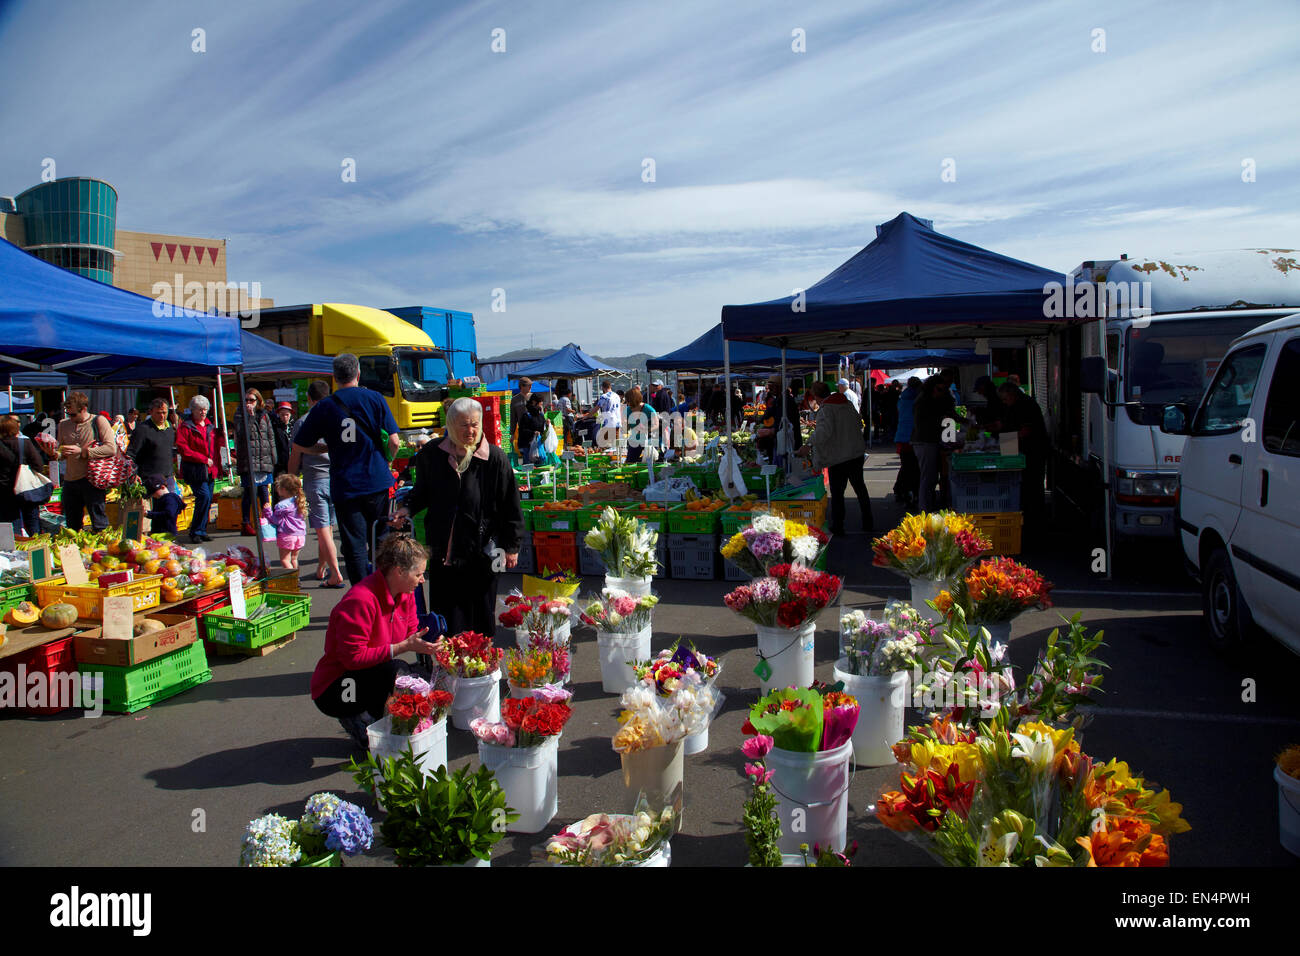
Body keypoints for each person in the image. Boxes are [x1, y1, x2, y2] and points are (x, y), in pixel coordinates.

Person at [396, 397, 524, 637]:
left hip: (481, 547)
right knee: (446, 612)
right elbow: (422, 491)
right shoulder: (432, 454)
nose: (471, 430)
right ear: (451, 425)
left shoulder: (494, 458)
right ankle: (448, 665)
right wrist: (406, 509)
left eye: (475, 424)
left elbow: (511, 504)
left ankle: (480, 666)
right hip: (443, 546)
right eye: (464, 425)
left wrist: (512, 545)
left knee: (481, 611)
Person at [310, 534, 440, 750]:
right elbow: (352, 659)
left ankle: (378, 720)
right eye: (418, 574)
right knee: (396, 674)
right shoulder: (360, 601)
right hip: (335, 686)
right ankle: (355, 715)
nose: (422, 580)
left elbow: (411, 632)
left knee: (411, 677)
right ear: (399, 571)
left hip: (365, 671)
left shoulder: (405, 593)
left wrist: (433, 642)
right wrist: (403, 647)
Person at [289, 353, 401, 586]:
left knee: (354, 544)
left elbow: (300, 444)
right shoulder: (375, 398)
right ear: (358, 373)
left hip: (345, 484)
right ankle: (386, 588)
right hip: (377, 480)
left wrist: (325, 447)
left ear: (334, 377)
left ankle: (362, 595)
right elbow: (395, 441)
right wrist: (387, 460)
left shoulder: (326, 406)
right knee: (382, 539)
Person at [292, 380, 345, 588]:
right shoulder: (338, 418)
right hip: (335, 477)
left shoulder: (303, 421)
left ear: (309, 399)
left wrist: (291, 478)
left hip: (315, 479)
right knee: (328, 530)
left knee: (322, 530)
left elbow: (296, 453)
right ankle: (322, 568)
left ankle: (335, 573)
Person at [803, 381, 872, 535]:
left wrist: (809, 443)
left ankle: (838, 526)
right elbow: (859, 423)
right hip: (855, 453)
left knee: (838, 494)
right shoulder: (846, 404)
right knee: (860, 489)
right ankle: (868, 521)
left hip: (838, 457)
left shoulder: (827, 409)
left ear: (816, 396)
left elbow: (823, 433)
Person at [55, 392, 119, 532]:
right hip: (70, 479)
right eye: (68, 414)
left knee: (99, 522)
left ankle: (100, 550)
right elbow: (61, 452)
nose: (70, 418)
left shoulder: (98, 421)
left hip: (92, 479)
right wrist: (55, 454)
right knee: (72, 525)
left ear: (83, 409)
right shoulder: (63, 425)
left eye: (73, 415)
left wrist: (83, 452)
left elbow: (111, 448)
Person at [998, 382, 1048, 523]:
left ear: (1012, 395)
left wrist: (1005, 442)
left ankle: (1034, 518)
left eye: (1005, 399)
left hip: (1033, 452)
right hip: (1024, 451)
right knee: (1026, 486)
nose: (1004, 402)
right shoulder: (1016, 405)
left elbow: (1025, 431)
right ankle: (1028, 514)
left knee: (1033, 486)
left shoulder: (1026, 405)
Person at [176, 395, 220, 544]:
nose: (203, 413)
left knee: (207, 500)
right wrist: (202, 459)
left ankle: (202, 530)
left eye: (205, 410)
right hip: (195, 469)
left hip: (209, 469)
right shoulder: (186, 426)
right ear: (193, 410)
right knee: (204, 497)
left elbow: (214, 447)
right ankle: (195, 530)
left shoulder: (210, 426)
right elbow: (183, 449)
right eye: (200, 410)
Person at [234, 388, 278, 536]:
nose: (248, 403)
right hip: (249, 460)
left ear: (258, 401)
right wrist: (250, 417)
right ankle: (246, 523)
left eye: (251, 400)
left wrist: (273, 457)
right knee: (249, 492)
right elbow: (240, 435)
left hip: (264, 459)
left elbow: (270, 437)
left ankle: (266, 521)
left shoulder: (264, 415)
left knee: (264, 491)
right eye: (246, 400)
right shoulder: (240, 415)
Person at [910, 377, 956, 512]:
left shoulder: (934, 399)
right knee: (928, 478)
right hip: (924, 441)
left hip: (931, 441)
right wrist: (940, 421)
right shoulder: (922, 401)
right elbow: (921, 424)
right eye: (939, 389)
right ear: (932, 387)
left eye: (944, 390)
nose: (941, 392)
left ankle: (928, 508)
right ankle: (924, 511)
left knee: (931, 477)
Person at [0, 415, 46, 537]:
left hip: (5, 492)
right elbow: (39, 465)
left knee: (11, 525)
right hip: (26, 488)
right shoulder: (24, 443)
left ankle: (14, 552)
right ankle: (36, 548)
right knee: (32, 521)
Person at [127, 396, 177, 501]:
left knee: (171, 510)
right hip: (150, 479)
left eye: (164, 412)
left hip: (168, 477)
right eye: (158, 413)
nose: (162, 416)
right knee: (156, 513)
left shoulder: (170, 429)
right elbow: (131, 453)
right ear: (151, 412)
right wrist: (133, 474)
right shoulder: (142, 430)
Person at [264, 473, 308, 570]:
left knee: (285, 560)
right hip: (300, 535)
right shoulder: (299, 501)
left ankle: (292, 579)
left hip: (287, 535)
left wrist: (268, 512)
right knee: (294, 559)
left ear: (283, 490)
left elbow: (276, 520)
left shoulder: (281, 506)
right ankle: (297, 578)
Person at [892, 377, 923, 509]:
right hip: (914, 437)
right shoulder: (919, 400)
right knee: (913, 468)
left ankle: (901, 490)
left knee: (906, 466)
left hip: (902, 436)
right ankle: (909, 493)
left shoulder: (902, 399)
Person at [624, 386, 657, 464]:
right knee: (630, 463)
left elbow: (656, 425)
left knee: (649, 463)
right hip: (634, 441)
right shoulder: (627, 410)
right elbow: (626, 428)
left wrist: (646, 429)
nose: (627, 403)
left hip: (649, 441)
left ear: (634, 400)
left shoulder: (648, 409)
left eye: (628, 401)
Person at [515, 393, 548, 464]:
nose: (542, 403)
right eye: (540, 401)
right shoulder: (526, 415)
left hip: (538, 447)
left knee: (539, 470)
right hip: (527, 447)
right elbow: (522, 431)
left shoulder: (541, 415)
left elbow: (542, 430)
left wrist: (547, 425)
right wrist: (533, 433)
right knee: (529, 471)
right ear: (534, 402)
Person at [595, 379, 622, 448]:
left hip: (608, 423)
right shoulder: (617, 396)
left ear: (603, 388)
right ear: (610, 386)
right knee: (616, 444)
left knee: (605, 444)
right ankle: (617, 457)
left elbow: (596, 408)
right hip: (617, 422)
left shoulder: (604, 396)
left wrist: (588, 416)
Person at [510, 378, 533, 455]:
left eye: (531, 385)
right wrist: (512, 434)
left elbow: (541, 414)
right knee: (525, 453)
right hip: (523, 431)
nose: (530, 387)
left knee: (535, 454)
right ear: (522, 386)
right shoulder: (514, 400)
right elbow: (513, 418)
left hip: (534, 430)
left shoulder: (534, 397)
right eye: (528, 386)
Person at [271, 402, 294, 477]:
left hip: (294, 461)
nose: (284, 417)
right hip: (280, 464)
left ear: (290, 414)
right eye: (282, 415)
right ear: (278, 415)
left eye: (287, 414)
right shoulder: (275, 428)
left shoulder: (294, 426)